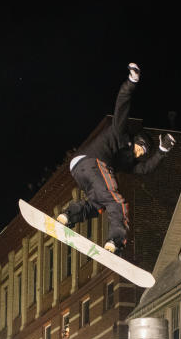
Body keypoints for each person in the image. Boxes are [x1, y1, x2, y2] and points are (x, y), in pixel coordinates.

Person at [57, 63, 174, 254]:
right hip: (93, 162)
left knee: (97, 205)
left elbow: (144, 169)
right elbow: (122, 105)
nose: (138, 154)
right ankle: (116, 240)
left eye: (141, 154)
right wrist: (131, 82)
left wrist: (161, 151)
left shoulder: (124, 161)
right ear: (136, 141)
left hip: (79, 170)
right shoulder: (120, 132)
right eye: (139, 149)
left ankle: (68, 216)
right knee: (117, 202)